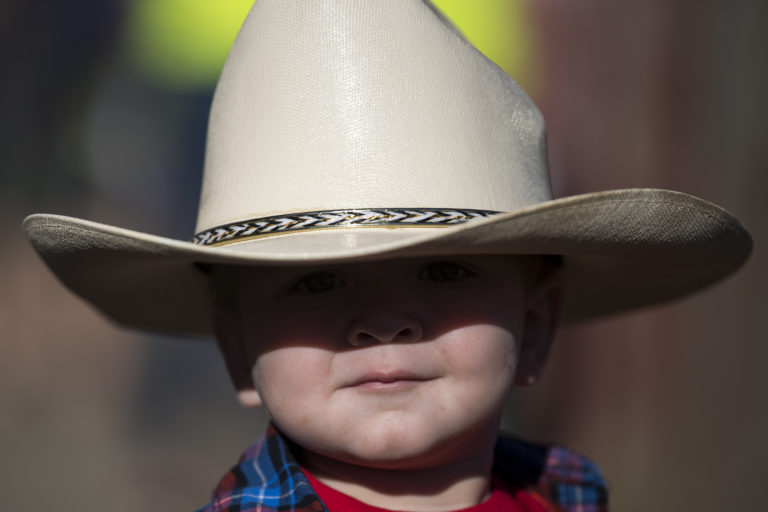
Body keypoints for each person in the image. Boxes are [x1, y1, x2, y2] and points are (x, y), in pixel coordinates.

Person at [23, 1, 751, 511]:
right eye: (316, 281)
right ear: (236, 344)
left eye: (444, 270)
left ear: (534, 325)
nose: (383, 321)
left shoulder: (571, 494)